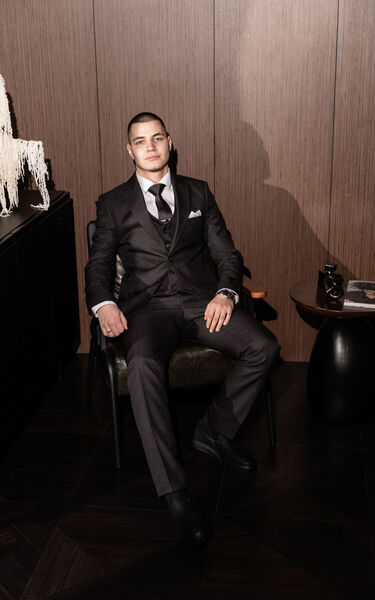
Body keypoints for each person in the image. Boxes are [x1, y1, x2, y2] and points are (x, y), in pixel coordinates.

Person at [85, 112, 280, 546]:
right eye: (141, 141)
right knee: (142, 364)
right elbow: (97, 265)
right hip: (147, 310)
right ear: (129, 150)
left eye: (157, 138)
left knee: (264, 347)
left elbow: (226, 253)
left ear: (170, 143)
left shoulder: (198, 192)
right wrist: (104, 304)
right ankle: (174, 491)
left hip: (200, 302)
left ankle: (214, 430)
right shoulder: (113, 202)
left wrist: (226, 292)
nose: (150, 147)